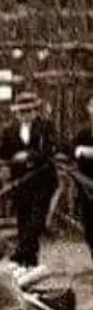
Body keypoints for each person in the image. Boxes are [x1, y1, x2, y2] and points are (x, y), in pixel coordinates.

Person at [0, 91, 60, 269]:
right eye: (22, 111)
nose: (25, 115)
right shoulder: (10, 130)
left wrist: (28, 155)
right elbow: (2, 151)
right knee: (23, 221)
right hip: (21, 183)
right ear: (16, 112)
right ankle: (29, 262)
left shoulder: (46, 127)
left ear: (35, 111)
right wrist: (10, 158)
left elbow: (51, 149)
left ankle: (19, 255)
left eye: (29, 111)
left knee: (36, 222)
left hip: (42, 180)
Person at [72, 92, 93, 260]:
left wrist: (88, 152)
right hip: (87, 190)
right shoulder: (83, 134)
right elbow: (70, 150)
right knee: (90, 229)